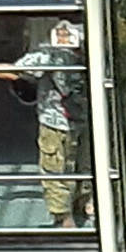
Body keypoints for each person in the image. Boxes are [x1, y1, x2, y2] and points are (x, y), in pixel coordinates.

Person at [17, 18, 88, 222]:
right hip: (87, 118)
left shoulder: (48, 55)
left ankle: (64, 219)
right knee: (85, 162)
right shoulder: (95, 52)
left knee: (54, 170)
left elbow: (18, 69)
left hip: (54, 122)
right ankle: (86, 203)